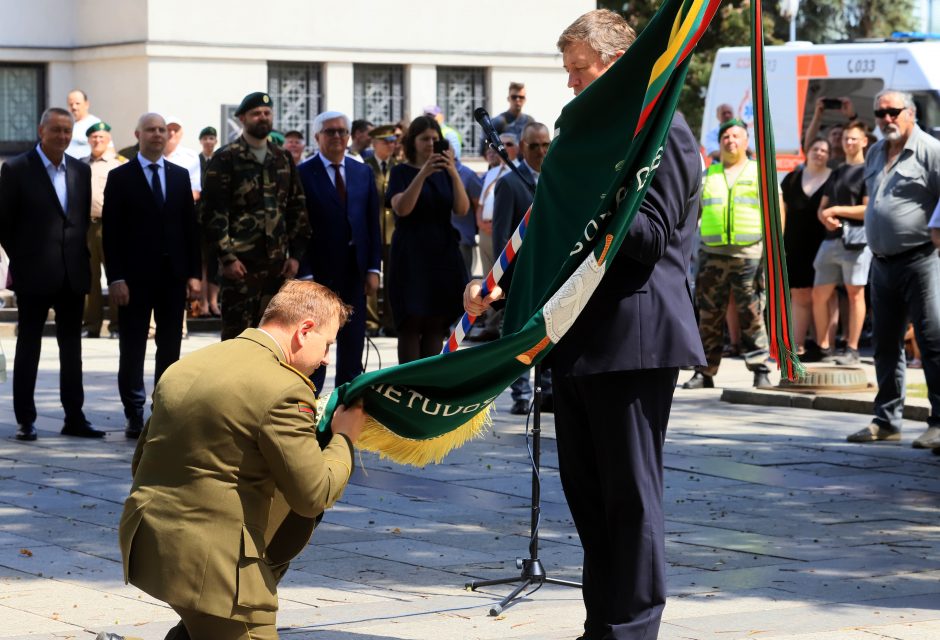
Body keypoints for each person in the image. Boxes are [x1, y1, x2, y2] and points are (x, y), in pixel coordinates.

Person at [465, 9, 705, 638]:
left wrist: (595, 189)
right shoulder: (593, 140)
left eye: (580, 70)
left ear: (617, 64)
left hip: (633, 340)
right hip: (575, 341)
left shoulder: (664, 131)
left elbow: (649, 237)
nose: (571, 85)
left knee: (630, 500)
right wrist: (495, 290)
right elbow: (553, 238)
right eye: (568, 72)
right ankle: (603, 625)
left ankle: (633, 629)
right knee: (590, 500)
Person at [117, 280, 365, 640]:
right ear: (304, 330)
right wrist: (344, 436)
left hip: (148, 544)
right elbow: (313, 494)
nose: (327, 357)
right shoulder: (285, 387)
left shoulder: (187, 365)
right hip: (215, 571)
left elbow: (141, 461)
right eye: (327, 344)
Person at [0, 108, 103, 441]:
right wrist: (25, 258)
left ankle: (75, 417)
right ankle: (25, 420)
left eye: (66, 131)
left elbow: (80, 222)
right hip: (33, 274)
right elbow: (5, 223)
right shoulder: (16, 169)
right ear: (41, 130)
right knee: (29, 346)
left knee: (71, 349)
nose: (62, 137)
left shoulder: (79, 170)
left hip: (72, 273)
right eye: (56, 130)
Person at [846, 89, 940, 449]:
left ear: (910, 113)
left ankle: (938, 422)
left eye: (893, 111)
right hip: (881, 262)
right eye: (880, 112)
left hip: (922, 260)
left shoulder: (930, 150)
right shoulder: (874, 151)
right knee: (884, 343)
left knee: (932, 342)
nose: (886, 119)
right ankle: (886, 420)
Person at [102, 113, 202, 439]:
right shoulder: (120, 177)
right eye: (151, 130)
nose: (157, 135)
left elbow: (190, 228)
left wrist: (194, 274)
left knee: (169, 347)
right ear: (138, 135)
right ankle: (133, 412)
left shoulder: (179, 176)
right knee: (132, 347)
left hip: (172, 278)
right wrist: (115, 278)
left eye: (162, 130)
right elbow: (111, 234)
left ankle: (163, 410)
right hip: (133, 279)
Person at [202, 91, 311, 340]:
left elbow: (297, 207)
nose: (262, 117)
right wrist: (227, 258)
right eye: (256, 113)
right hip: (240, 270)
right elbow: (213, 213)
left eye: (267, 113)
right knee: (237, 340)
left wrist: (295, 256)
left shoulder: (282, 158)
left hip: (277, 269)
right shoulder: (225, 158)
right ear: (242, 118)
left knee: (275, 340)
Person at [682, 119, 771, 390]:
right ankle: (705, 371)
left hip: (749, 255)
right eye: (725, 137)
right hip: (711, 254)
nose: (730, 140)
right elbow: (693, 213)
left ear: (746, 141)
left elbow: (776, 213)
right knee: (709, 314)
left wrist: (772, 251)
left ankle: (760, 368)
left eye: (736, 136)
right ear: (719, 143)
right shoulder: (708, 174)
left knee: (752, 312)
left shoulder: (759, 172)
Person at [297, 111, 381, 394]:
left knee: (353, 344)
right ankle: (309, 407)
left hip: (354, 272)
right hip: (319, 274)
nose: (337, 137)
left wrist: (373, 268)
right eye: (330, 132)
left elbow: (372, 223)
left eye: (342, 132)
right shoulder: (303, 173)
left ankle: (345, 410)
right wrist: (305, 272)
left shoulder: (362, 172)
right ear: (317, 137)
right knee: (316, 346)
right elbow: (299, 227)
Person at [386, 114, 470, 363]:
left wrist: (453, 172)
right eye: (425, 139)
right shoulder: (400, 172)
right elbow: (402, 208)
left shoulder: (446, 172)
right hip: (411, 253)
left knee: (436, 321)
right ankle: (409, 386)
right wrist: (422, 173)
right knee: (411, 321)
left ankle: (430, 387)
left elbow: (462, 209)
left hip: (441, 251)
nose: (431, 143)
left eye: (435, 138)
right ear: (413, 141)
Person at [492, 122, 554, 414]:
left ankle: (548, 390)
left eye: (545, 145)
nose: (541, 151)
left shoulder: (557, 178)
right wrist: (500, 281)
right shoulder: (509, 183)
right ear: (522, 147)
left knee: (550, 329)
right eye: (534, 146)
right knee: (518, 334)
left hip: (552, 272)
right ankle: (521, 394)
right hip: (520, 275)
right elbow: (501, 236)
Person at [809, 120, 872, 365]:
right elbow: (822, 208)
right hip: (830, 240)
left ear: (864, 141)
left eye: (854, 138)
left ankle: (852, 348)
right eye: (846, 138)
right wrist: (824, 217)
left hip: (856, 242)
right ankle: (823, 346)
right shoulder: (836, 171)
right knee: (819, 293)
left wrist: (836, 210)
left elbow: (868, 210)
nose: (849, 142)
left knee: (855, 294)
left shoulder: (868, 171)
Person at [780, 137, 832, 355]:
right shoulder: (792, 179)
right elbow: (781, 210)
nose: (819, 153)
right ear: (807, 151)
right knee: (799, 294)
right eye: (816, 148)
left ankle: (825, 345)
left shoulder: (833, 179)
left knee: (823, 296)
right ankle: (797, 345)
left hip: (824, 245)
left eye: (824, 150)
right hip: (795, 245)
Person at [82, 121, 126, 339]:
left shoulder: (118, 164)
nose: (97, 141)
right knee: (90, 277)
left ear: (108, 139)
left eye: (101, 137)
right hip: (87, 225)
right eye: (93, 137)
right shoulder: (81, 164)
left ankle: (117, 325)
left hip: (112, 225)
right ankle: (91, 325)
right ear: (88, 140)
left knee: (116, 275)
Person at [364, 124, 400, 336]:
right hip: (373, 229)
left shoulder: (398, 166)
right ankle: (371, 322)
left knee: (393, 277)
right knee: (371, 275)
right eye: (386, 141)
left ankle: (391, 321)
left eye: (393, 141)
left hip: (394, 231)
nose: (390, 145)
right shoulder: (365, 166)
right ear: (375, 143)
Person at [803, 97, 858, 169]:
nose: (837, 137)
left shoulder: (852, 159)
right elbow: (809, 143)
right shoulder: (819, 157)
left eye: (841, 135)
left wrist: (852, 116)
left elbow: (860, 139)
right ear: (828, 139)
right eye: (834, 134)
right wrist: (817, 115)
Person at [483, 81, 535, 155]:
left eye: (521, 97)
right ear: (508, 98)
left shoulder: (530, 122)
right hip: (503, 164)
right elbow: (485, 149)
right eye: (514, 97)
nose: (517, 100)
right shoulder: (498, 121)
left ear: (525, 99)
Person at [164, 115, 201, 201]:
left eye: (176, 130)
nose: (172, 133)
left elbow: (195, 191)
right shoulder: (153, 156)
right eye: (168, 129)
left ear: (181, 134)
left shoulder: (191, 157)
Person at [65, 89, 101, 159]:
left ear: (86, 104)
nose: (74, 107)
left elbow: (108, 149)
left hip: (85, 166)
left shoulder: (94, 124)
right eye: (71, 104)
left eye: (77, 103)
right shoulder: (66, 125)